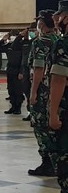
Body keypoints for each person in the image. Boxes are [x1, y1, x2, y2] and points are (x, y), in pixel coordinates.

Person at [28, 10, 60, 177]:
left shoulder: (40, 42)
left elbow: (38, 69)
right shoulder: (59, 40)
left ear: (42, 24)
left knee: (41, 126)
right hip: (56, 90)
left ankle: (47, 163)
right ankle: (57, 162)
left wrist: (33, 93)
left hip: (43, 91)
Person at [47, 0, 68, 193]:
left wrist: (53, 113)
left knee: (63, 154)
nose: (57, 20)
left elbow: (59, 80)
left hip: (65, 108)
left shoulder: (63, 44)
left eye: (59, 16)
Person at [0, 29, 25, 114]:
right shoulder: (9, 45)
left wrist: (21, 72)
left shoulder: (21, 45)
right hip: (10, 69)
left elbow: (24, 59)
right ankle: (13, 106)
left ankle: (18, 107)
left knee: (18, 89)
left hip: (18, 69)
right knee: (11, 89)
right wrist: (3, 40)